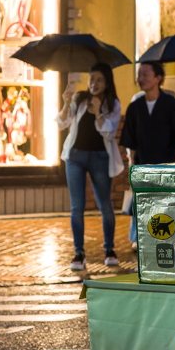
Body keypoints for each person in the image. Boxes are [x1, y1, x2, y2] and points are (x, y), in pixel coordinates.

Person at [56, 62, 122, 271]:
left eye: (99, 80)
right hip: (75, 156)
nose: (94, 83)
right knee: (77, 206)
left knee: (105, 205)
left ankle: (109, 249)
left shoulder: (113, 104)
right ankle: (78, 253)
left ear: (107, 82)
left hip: (100, 158)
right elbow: (62, 123)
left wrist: (98, 113)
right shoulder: (80, 98)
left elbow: (109, 133)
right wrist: (66, 103)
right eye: (92, 79)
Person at [119, 61, 175, 246]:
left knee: (167, 207)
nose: (140, 79)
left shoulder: (172, 105)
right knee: (143, 206)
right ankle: (139, 241)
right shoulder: (135, 107)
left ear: (158, 78)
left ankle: (170, 241)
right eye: (139, 75)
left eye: (145, 75)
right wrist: (132, 166)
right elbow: (131, 143)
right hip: (143, 166)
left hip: (167, 166)